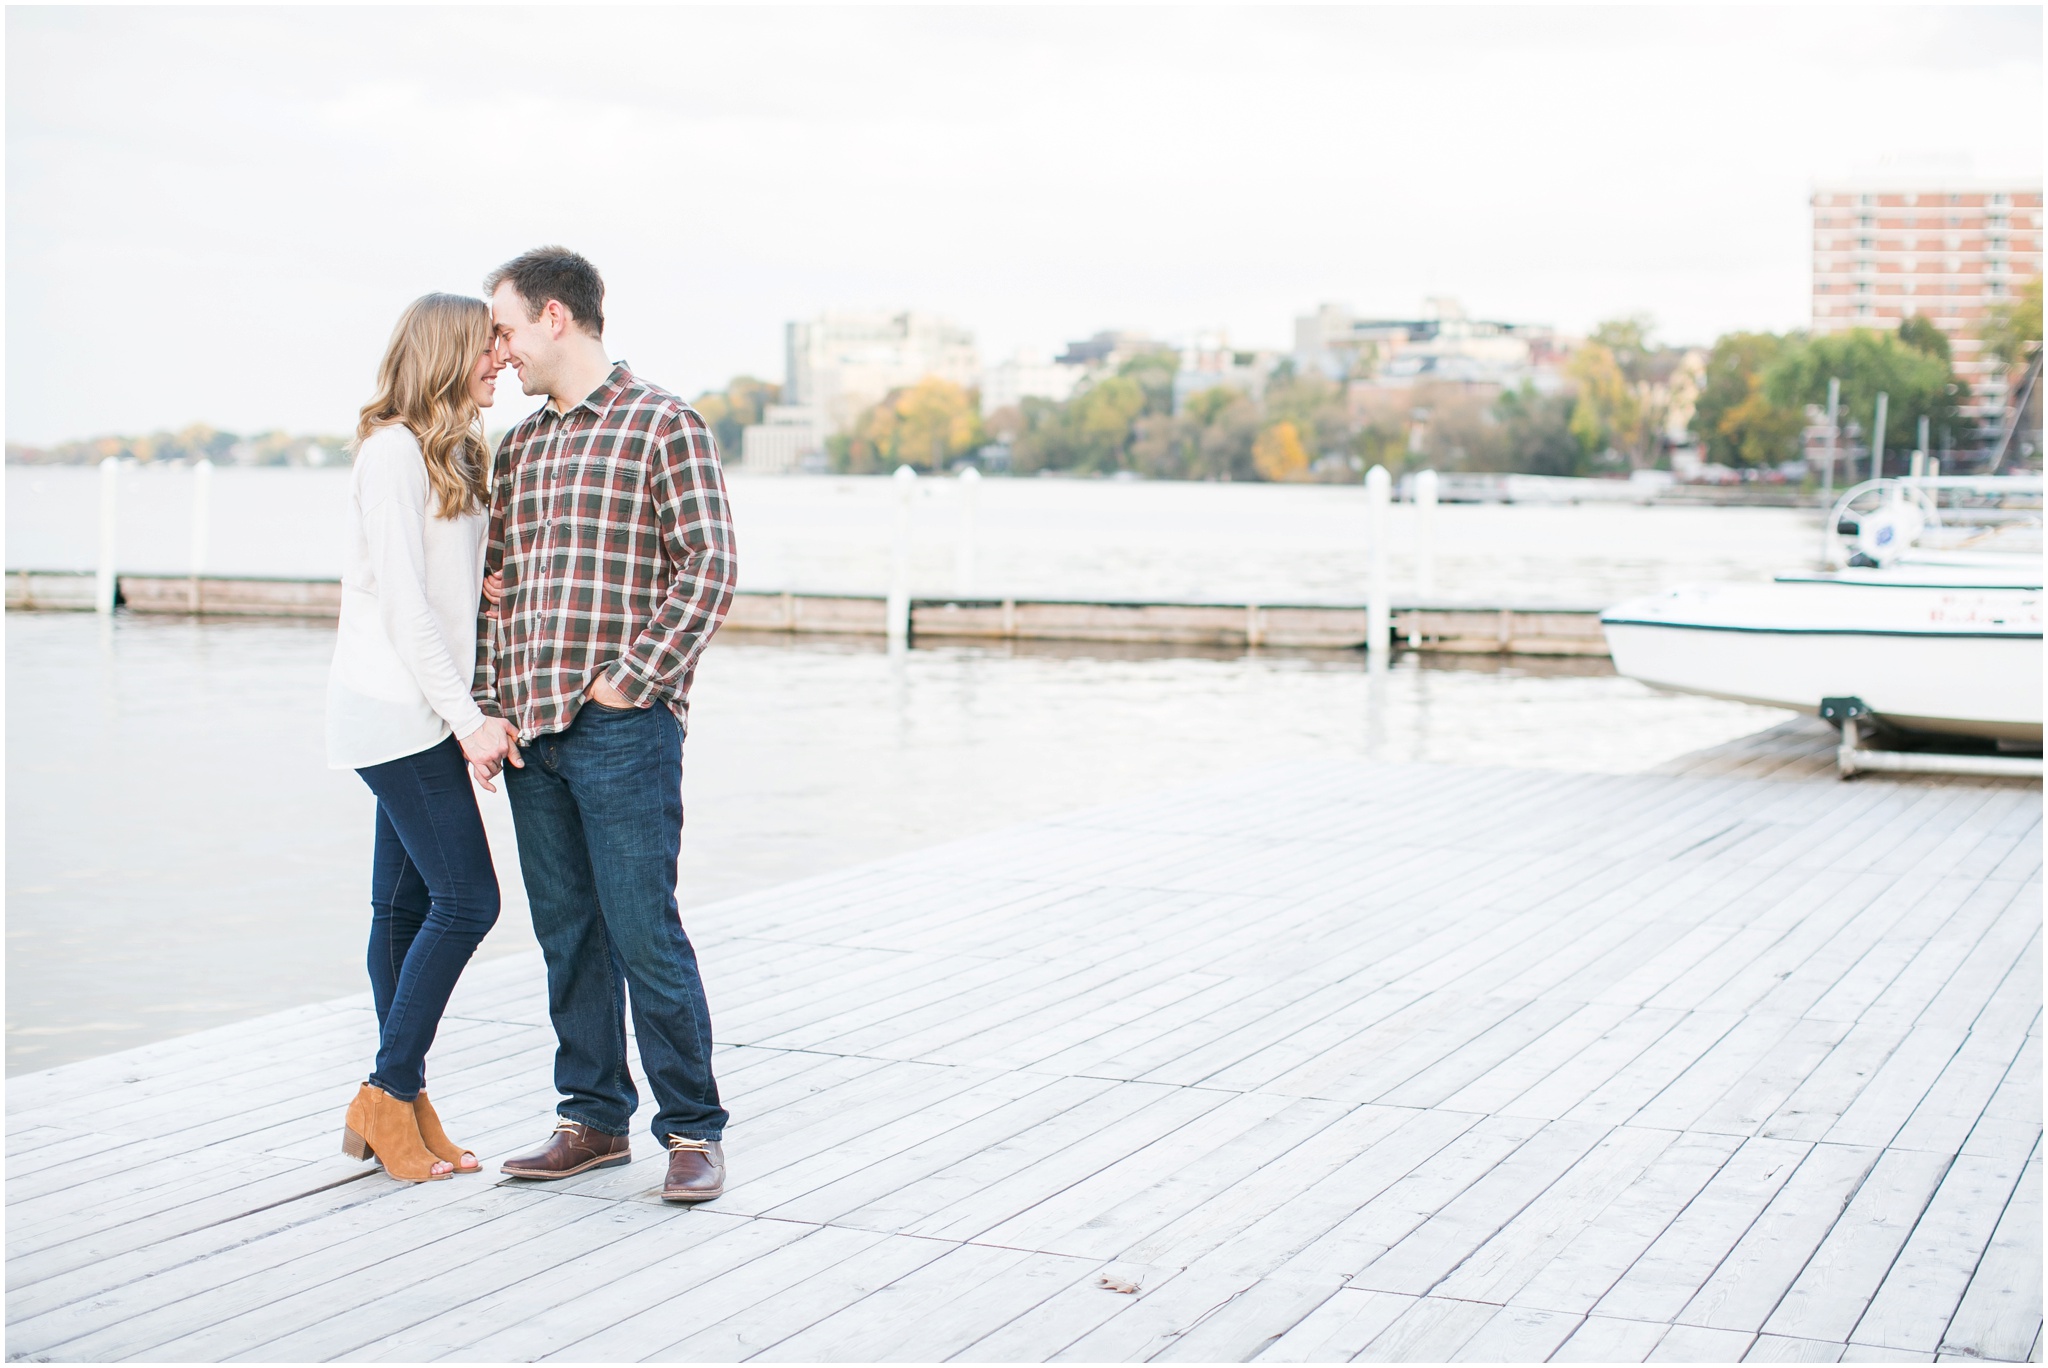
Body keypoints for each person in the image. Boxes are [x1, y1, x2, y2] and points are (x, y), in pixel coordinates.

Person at [478, 247, 738, 1202]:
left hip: (623, 730)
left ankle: (693, 1129)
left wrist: (631, 682)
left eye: (503, 327)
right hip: (532, 734)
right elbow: (494, 592)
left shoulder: (663, 422)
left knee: (642, 929)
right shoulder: (520, 446)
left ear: (555, 316)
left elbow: (708, 566)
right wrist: (492, 709)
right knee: (567, 936)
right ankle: (590, 1120)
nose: (496, 350)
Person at [328, 293, 522, 1182]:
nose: (500, 362)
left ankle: (401, 1102)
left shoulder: (453, 451)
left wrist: (481, 585)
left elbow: (439, 584)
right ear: (448, 355)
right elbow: (404, 609)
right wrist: (472, 720)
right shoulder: (392, 452)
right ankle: (385, 1088)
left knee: (403, 911)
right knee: (468, 902)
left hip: (423, 709)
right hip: (396, 712)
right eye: (487, 349)